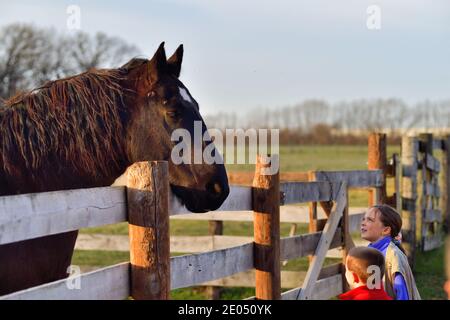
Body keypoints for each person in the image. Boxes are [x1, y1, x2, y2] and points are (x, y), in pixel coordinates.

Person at [361, 204, 421, 300]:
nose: (363, 223)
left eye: (370, 220)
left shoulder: (394, 256)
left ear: (386, 230)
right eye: (363, 219)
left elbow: (402, 295)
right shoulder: (368, 253)